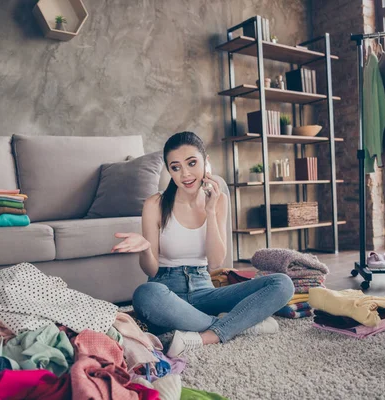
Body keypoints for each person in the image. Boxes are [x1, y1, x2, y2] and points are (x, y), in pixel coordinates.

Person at [112, 131, 294, 357]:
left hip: (205, 292)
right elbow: (151, 270)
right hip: (167, 295)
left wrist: (210, 211)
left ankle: (208, 334)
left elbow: (216, 262)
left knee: (282, 283)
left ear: (206, 162)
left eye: (192, 163)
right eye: (176, 167)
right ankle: (239, 324)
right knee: (145, 294)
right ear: (169, 171)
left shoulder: (218, 201)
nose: (185, 174)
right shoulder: (155, 203)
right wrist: (146, 248)